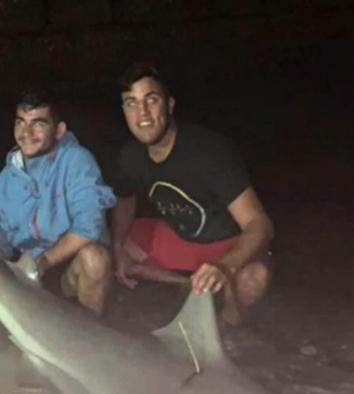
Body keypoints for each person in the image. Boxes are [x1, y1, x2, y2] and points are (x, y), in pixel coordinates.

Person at [110, 63, 274, 326]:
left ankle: (224, 313)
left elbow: (260, 225)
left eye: (151, 100)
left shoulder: (208, 152)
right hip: (180, 237)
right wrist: (117, 245)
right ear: (124, 111)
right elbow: (125, 198)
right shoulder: (130, 156)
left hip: (226, 243)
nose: (143, 113)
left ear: (170, 104)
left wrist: (225, 267)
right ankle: (190, 284)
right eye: (131, 103)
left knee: (253, 279)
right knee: (107, 249)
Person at [0, 89, 117, 315]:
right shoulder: (4, 181)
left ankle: (91, 332)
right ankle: (30, 322)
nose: (26, 133)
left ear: (59, 130)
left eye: (38, 124)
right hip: (27, 273)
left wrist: (43, 262)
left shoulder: (78, 161)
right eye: (20, 123)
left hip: (69, 268)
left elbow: (88, 229)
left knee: (95, 258)